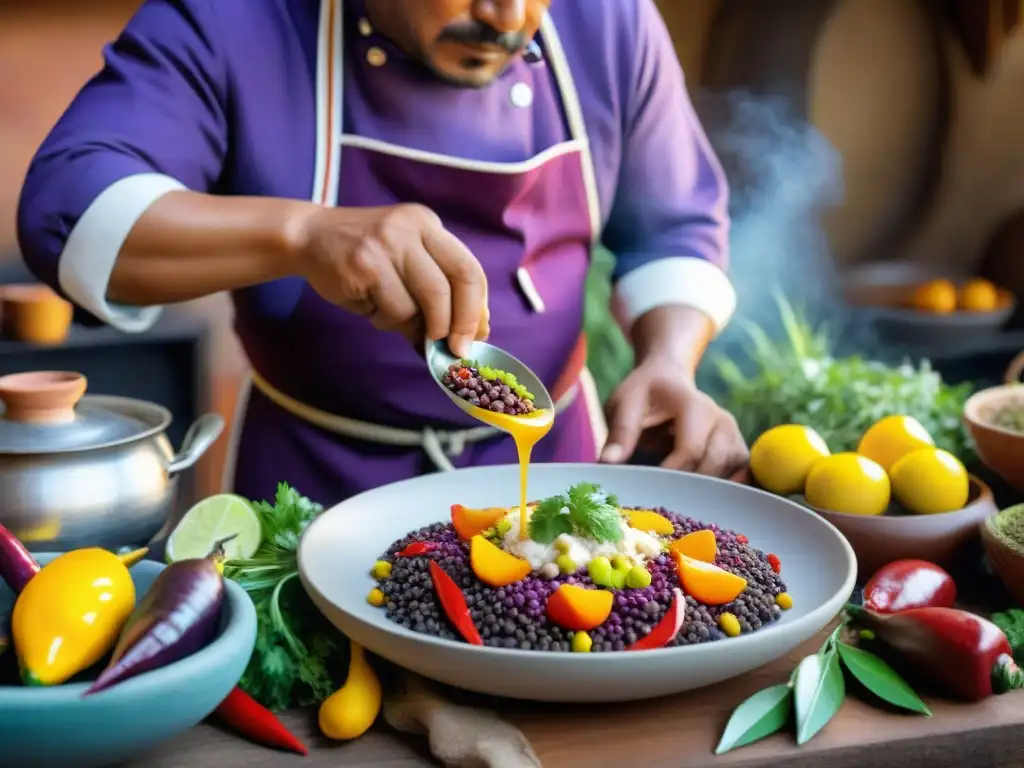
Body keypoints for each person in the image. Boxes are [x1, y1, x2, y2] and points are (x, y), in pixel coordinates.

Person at [17, 0, 748, 506]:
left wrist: (668, 360)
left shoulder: (609, 19)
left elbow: (674, 225)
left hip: (551, 477)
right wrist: (304, 235)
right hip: (311, 493)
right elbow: (69, 211)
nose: (507, 19)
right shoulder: (236, 20)